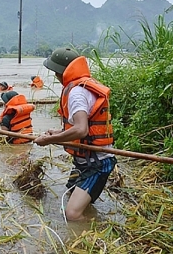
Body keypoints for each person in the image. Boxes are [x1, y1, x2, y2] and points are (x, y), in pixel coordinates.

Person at [33, 47, 116, 221]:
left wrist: (49, 140)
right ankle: (90, 216)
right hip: (84, 159)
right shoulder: (81, 86)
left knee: (72, 214)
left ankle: (97, 234)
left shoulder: (76, 93)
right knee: (72, 194)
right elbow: (82, 128)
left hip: (97, 163)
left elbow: (81, 130)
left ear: (60, 72)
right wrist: (58, 133)